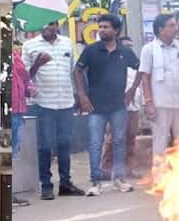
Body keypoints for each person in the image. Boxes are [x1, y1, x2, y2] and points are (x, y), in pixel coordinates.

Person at [75, 14, 140, 196]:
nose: (102, 30)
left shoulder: (124, 51)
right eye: (100, 27)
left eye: (106, 27)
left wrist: (133, 89)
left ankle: (118, 179)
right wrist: (82, 95)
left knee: (119, 141)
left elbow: (140, 69)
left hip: (118, 105)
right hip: (95, 106)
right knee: (96, 143)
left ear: (116, 30)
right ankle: (95, 182)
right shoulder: (91, 50)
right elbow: (78, 70)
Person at [23, 21, 86, 201]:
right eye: (44, 24)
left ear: (57, 25)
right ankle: (46, 185)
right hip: (43, 103)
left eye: (51, 24)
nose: (47, 27)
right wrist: (37, 64)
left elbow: (75, 71)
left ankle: (65, 183)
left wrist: (80, 95)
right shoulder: (30, 46)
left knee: (65, 143)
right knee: (44, 146)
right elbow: (25, 77)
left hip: (65, 101)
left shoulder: (67, 43)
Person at [139, 13, 179, 173]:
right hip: (160, 103)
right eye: (171, 25)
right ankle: (159, 177)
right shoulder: (149, 49)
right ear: (160, 30)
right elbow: (145, 77)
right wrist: (148, 103)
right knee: (160, 142)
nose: (175, 28)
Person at [102, 35, 143, 180]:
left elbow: (140, 85)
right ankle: (106, 169)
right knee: (113, 137)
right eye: (126, 45)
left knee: (131, 137)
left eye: (131, 45)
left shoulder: (136, 65)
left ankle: (128, 169)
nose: (129, 48)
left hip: (134, 106)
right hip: (116, 106)